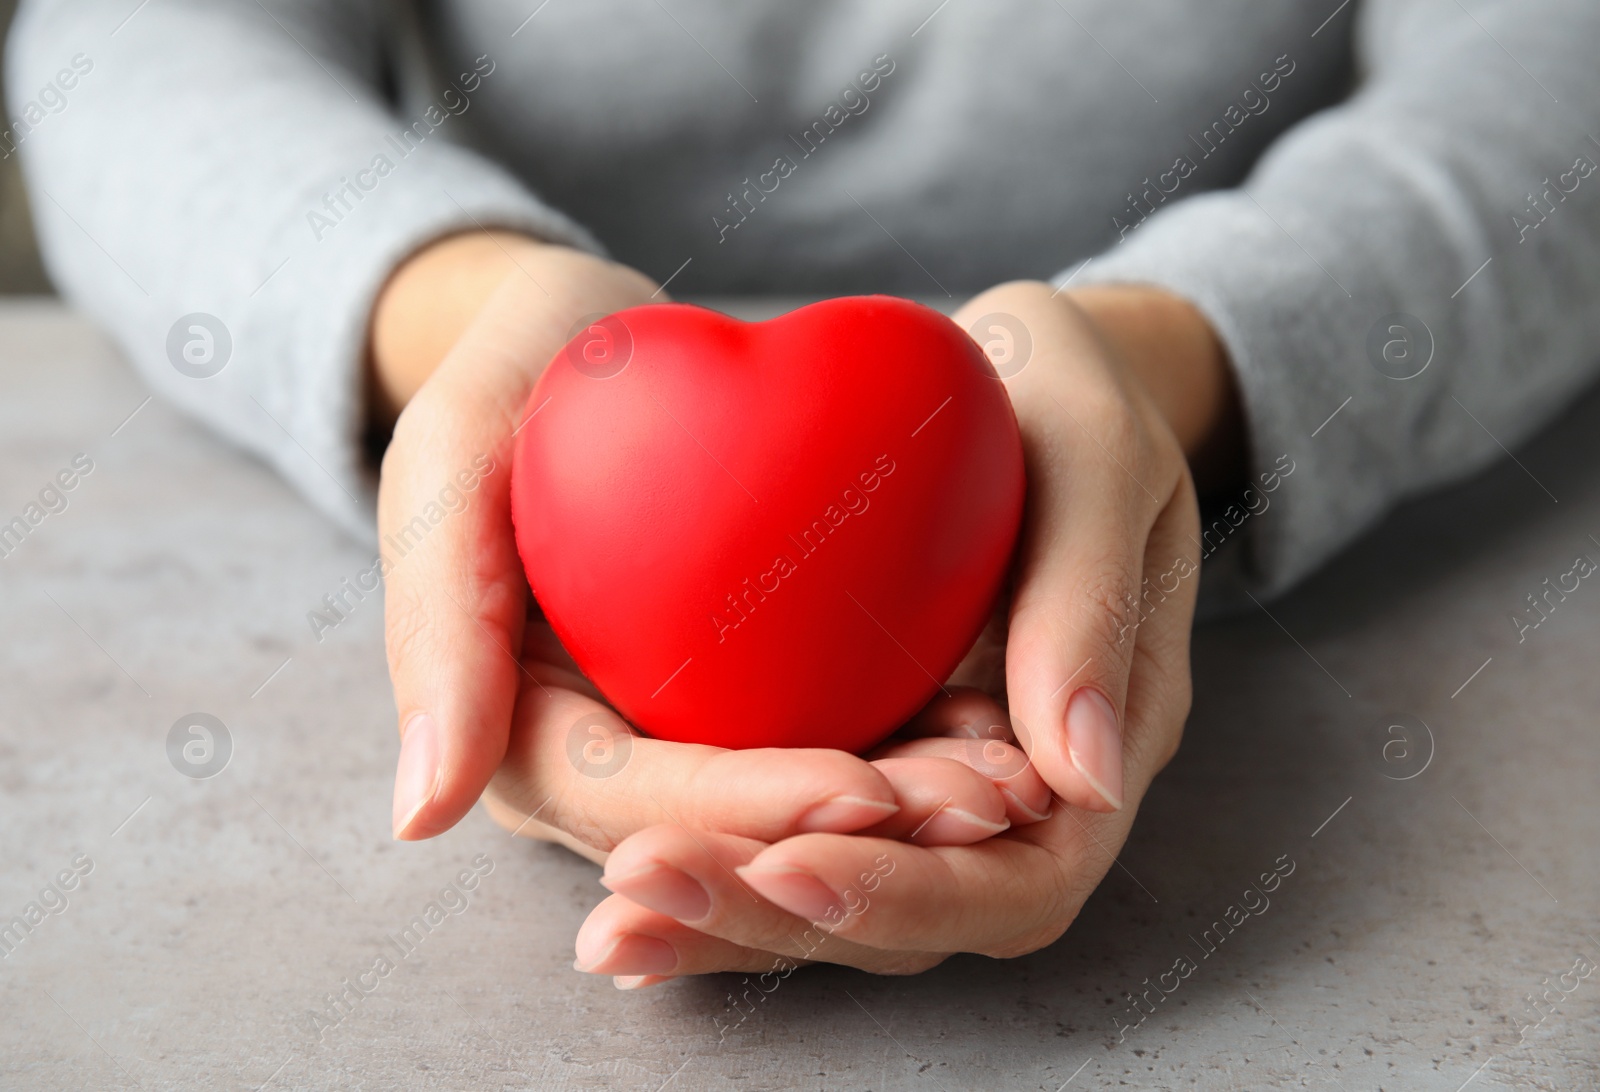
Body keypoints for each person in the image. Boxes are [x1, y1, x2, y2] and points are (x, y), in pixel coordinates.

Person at [10, 0, 1600, 987]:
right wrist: (467, 317)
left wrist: (1161, 367)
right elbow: (133, 38)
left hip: (1099, 431)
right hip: (591, 422)